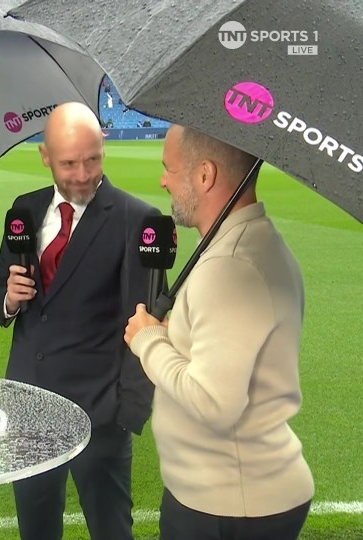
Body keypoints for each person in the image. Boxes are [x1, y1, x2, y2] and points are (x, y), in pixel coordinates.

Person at [124, 125, 314, 539]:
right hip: (232, 499)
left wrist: (148, 339)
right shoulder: (245, 245)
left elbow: (213, 403)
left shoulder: (231, 267)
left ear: (205, 176)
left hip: (229, 508)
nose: (162, 181)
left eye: (169, 169)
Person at [0, 101, 158, 540]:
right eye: (69, 163)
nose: (82, 175)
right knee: (36, 530)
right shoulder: (23, 209)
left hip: (99, 415)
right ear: (45, 157)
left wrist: (125, 415)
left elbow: (146, 323)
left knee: (111, 530)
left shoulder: (138, 221)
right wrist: (8, 297)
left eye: (93, 159)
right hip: (29, 409)